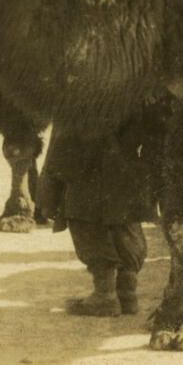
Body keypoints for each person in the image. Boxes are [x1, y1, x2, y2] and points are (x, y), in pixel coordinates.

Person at [40, 109, 158, 318]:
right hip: (129, 135)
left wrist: (53, 181)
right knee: (124, 212)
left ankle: (104, 294)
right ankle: (127, 292)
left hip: (86, 132)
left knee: (85, 210)